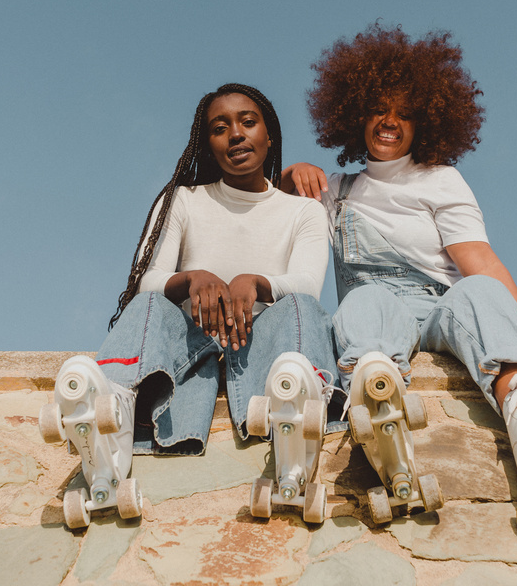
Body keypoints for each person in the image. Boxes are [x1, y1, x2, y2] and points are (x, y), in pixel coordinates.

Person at [283, 24, 517, 534]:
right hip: (381, 317)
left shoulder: (441, 179)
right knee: (366, 297)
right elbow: (273, 207)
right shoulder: (337, 189)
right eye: (379, 109)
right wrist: (293, 174)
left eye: (405, 113)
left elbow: (479, 261)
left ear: (425, 123)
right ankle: (377, 401)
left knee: (479, 290)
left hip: (442, 307)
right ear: (357, 115)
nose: (390, 122)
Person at [40, 83, 335, 529]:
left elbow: (308, 286)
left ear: (269, 135)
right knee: (150, 302)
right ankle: (110, 410)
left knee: (300, 308)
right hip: (187, 351)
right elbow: (146, 280)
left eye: (248, 122)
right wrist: (191, 279)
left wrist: (253, 281)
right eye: (220, 128)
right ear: (207, 144)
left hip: (266, 355)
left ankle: (297, 409)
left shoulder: (303, 212)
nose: (236, 134)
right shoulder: (181, 200)